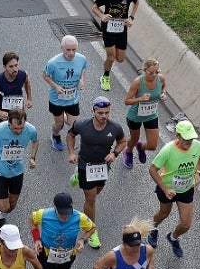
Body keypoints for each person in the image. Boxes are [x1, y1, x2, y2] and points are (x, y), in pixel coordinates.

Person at [66, 98, 127, 242]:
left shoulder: (115, 128)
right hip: (85, 165)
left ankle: (79, 179)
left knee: (97, 191)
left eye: (107, 112)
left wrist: (115, 153)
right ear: (93, 111)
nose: (104, 116)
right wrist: (71, 153)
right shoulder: (82, 125)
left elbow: (123, 141)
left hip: (102, 167)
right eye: (100, 113)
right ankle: (91, 230)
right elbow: (70, 134)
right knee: (91, 198)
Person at [148, 119, 200, 258]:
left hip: (186, 189)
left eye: (191, 139)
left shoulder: (197, 146)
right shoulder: (168, 150)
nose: (189, 142)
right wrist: (165, 189)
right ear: (178, 136)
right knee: (163, 214)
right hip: (167, 189)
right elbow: (153, 169)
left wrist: (197, 173)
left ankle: (173, 238)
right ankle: (152, 228)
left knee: (186, 224)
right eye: (186, 139)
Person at [0, 110, 39, 227]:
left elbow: (35, 141)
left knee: (12, 205)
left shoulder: (31, 129)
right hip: (0, 171)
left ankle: (0, 217)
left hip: (17, 171)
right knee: (5, 206)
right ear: (9, 123)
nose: (19, 131)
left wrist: (32, 157)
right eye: (15, 129)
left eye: (21, 128)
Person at [90, 0, 139, 92]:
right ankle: (105, 77)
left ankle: (109, 50)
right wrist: (102, 16)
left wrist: (131, 17)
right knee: (111, 57)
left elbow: (136, 2)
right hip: (108, 29)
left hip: (121, 29)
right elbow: (94, 7)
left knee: (120, 59)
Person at [43, 36, 88, 151]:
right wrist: (56, 86)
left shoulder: (82, 59)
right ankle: (55, 135)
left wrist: (82, 80)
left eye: (74, 49)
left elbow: (83, 69)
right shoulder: (53, 62)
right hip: (57, 99)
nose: (71, 53)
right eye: (68, 50)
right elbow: (45, 75)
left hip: (72, 98)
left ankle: (70, 144)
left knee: (75, 126)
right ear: (62, 48)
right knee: (59, 124)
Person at [122, 59, 165, 170]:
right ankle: (128, 152)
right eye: (151, 72)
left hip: (151, 115)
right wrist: (140, 99)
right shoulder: (138, 82)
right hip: (135, 116)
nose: (154, 75)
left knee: (152, 145)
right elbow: (127, 101)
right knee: (134, 139)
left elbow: (164, 87)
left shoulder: (160, 79)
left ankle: (141, 147)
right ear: (145, 70)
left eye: (157, 72)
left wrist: (163, 94)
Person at [0, 52, 32, 124]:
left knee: (18, 131)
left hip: (18, 112)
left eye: (16, 65)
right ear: (5, 67)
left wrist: (29, 98)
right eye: (11, 66)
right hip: (2, 115)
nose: (15, 69)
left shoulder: (23, 75)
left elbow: (26, 82)